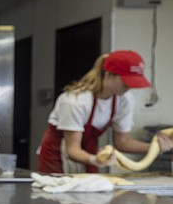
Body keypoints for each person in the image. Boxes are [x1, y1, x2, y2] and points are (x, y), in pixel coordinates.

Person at [37, 50, 173, 173]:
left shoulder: (124, 100)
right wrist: (94, 160)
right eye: (126, 81)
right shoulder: (75, 101)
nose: (130, 86)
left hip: (88, 150)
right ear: (108, 75)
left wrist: (155, 147)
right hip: (57, 155)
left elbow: (122, 142)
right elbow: (72, 149)